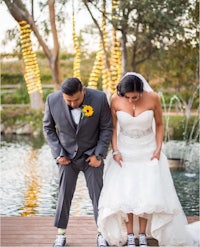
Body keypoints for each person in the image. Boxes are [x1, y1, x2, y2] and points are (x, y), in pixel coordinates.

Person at [97, 72, 197, 246]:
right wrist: (115, 151)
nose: (131, 101)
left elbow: (159, 124)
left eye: (134, 97)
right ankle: (129, 235)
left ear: (141, 91)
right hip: (124, 151)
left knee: (146, 192)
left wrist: (158, 149)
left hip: (148, 149)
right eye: (127, 97)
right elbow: (113, 127)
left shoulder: (153, 98)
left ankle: (142, 235)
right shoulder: (114, 100)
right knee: (126, 192)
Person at [43, 78, 113, 247]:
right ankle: (60, 234)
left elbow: (106, 128)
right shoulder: (52, 100)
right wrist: (59, 154)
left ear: (84, 91)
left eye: (76, 100)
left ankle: (102, 233)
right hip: (66, 157)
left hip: (92, 157)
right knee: (64, 194)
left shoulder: (99, 98)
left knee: (98, 195)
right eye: (69, 101)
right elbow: (48, 128)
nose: (73, 104)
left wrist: (99, 154)